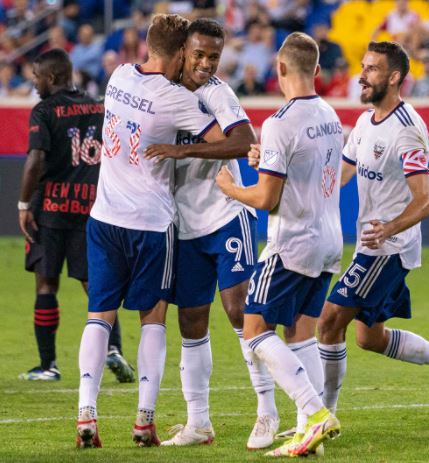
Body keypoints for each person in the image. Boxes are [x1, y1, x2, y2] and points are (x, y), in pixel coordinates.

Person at [316, 41, 429, 423]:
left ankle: (321, 419)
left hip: (389, 247)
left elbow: (425, 200)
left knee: (329, 322)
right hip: (372, 244)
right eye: (363, 66)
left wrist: (389, 229)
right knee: (370, 338)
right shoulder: (364, 121)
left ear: (394, 77)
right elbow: (342, 173)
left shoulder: (408, 131)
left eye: (372, 69)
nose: (361, 75)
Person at [75, 14, 226, 449]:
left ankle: (87, 412)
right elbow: (219, 142)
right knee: (153, 320)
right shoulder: (175, 97)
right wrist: (183, 149)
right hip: (150, 225)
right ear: (181, 52)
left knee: (98, 315)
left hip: (104, 217)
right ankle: (144, 420)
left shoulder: (119, 76)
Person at [142, 18, 278, 450]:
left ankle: (267, 412)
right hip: (184, 226)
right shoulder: (161, 91)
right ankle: (198, 422)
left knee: (240, 312)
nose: (205, 64)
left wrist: (182, 150)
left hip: (225, 216)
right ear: (182, 50)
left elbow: (243, 141)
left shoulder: (216, 92)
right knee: (191, 322)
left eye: (214, 57)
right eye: (199, 54)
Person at [216, 32, 343, 457]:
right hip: (328, 241)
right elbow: (304, 170)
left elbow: (267, 199)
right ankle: (310, 429)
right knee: (301, 330)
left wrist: (231, 188)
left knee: (254, 330)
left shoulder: (279, 122)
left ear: (281, 68)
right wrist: (265, 159)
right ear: (318, 71)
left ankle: (314, 410)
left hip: (293, 242)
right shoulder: (330, 114)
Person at [18, 48, 134, 384]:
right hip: (91, 209)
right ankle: (114, 349)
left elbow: (35, 160)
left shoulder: (44, 110)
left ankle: (48, 365)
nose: (35, 84)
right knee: (96, 285)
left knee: (46, 285)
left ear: (51, 77)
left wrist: (24, 205)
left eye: (37, 77)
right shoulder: (99, 106)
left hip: (50, 211)